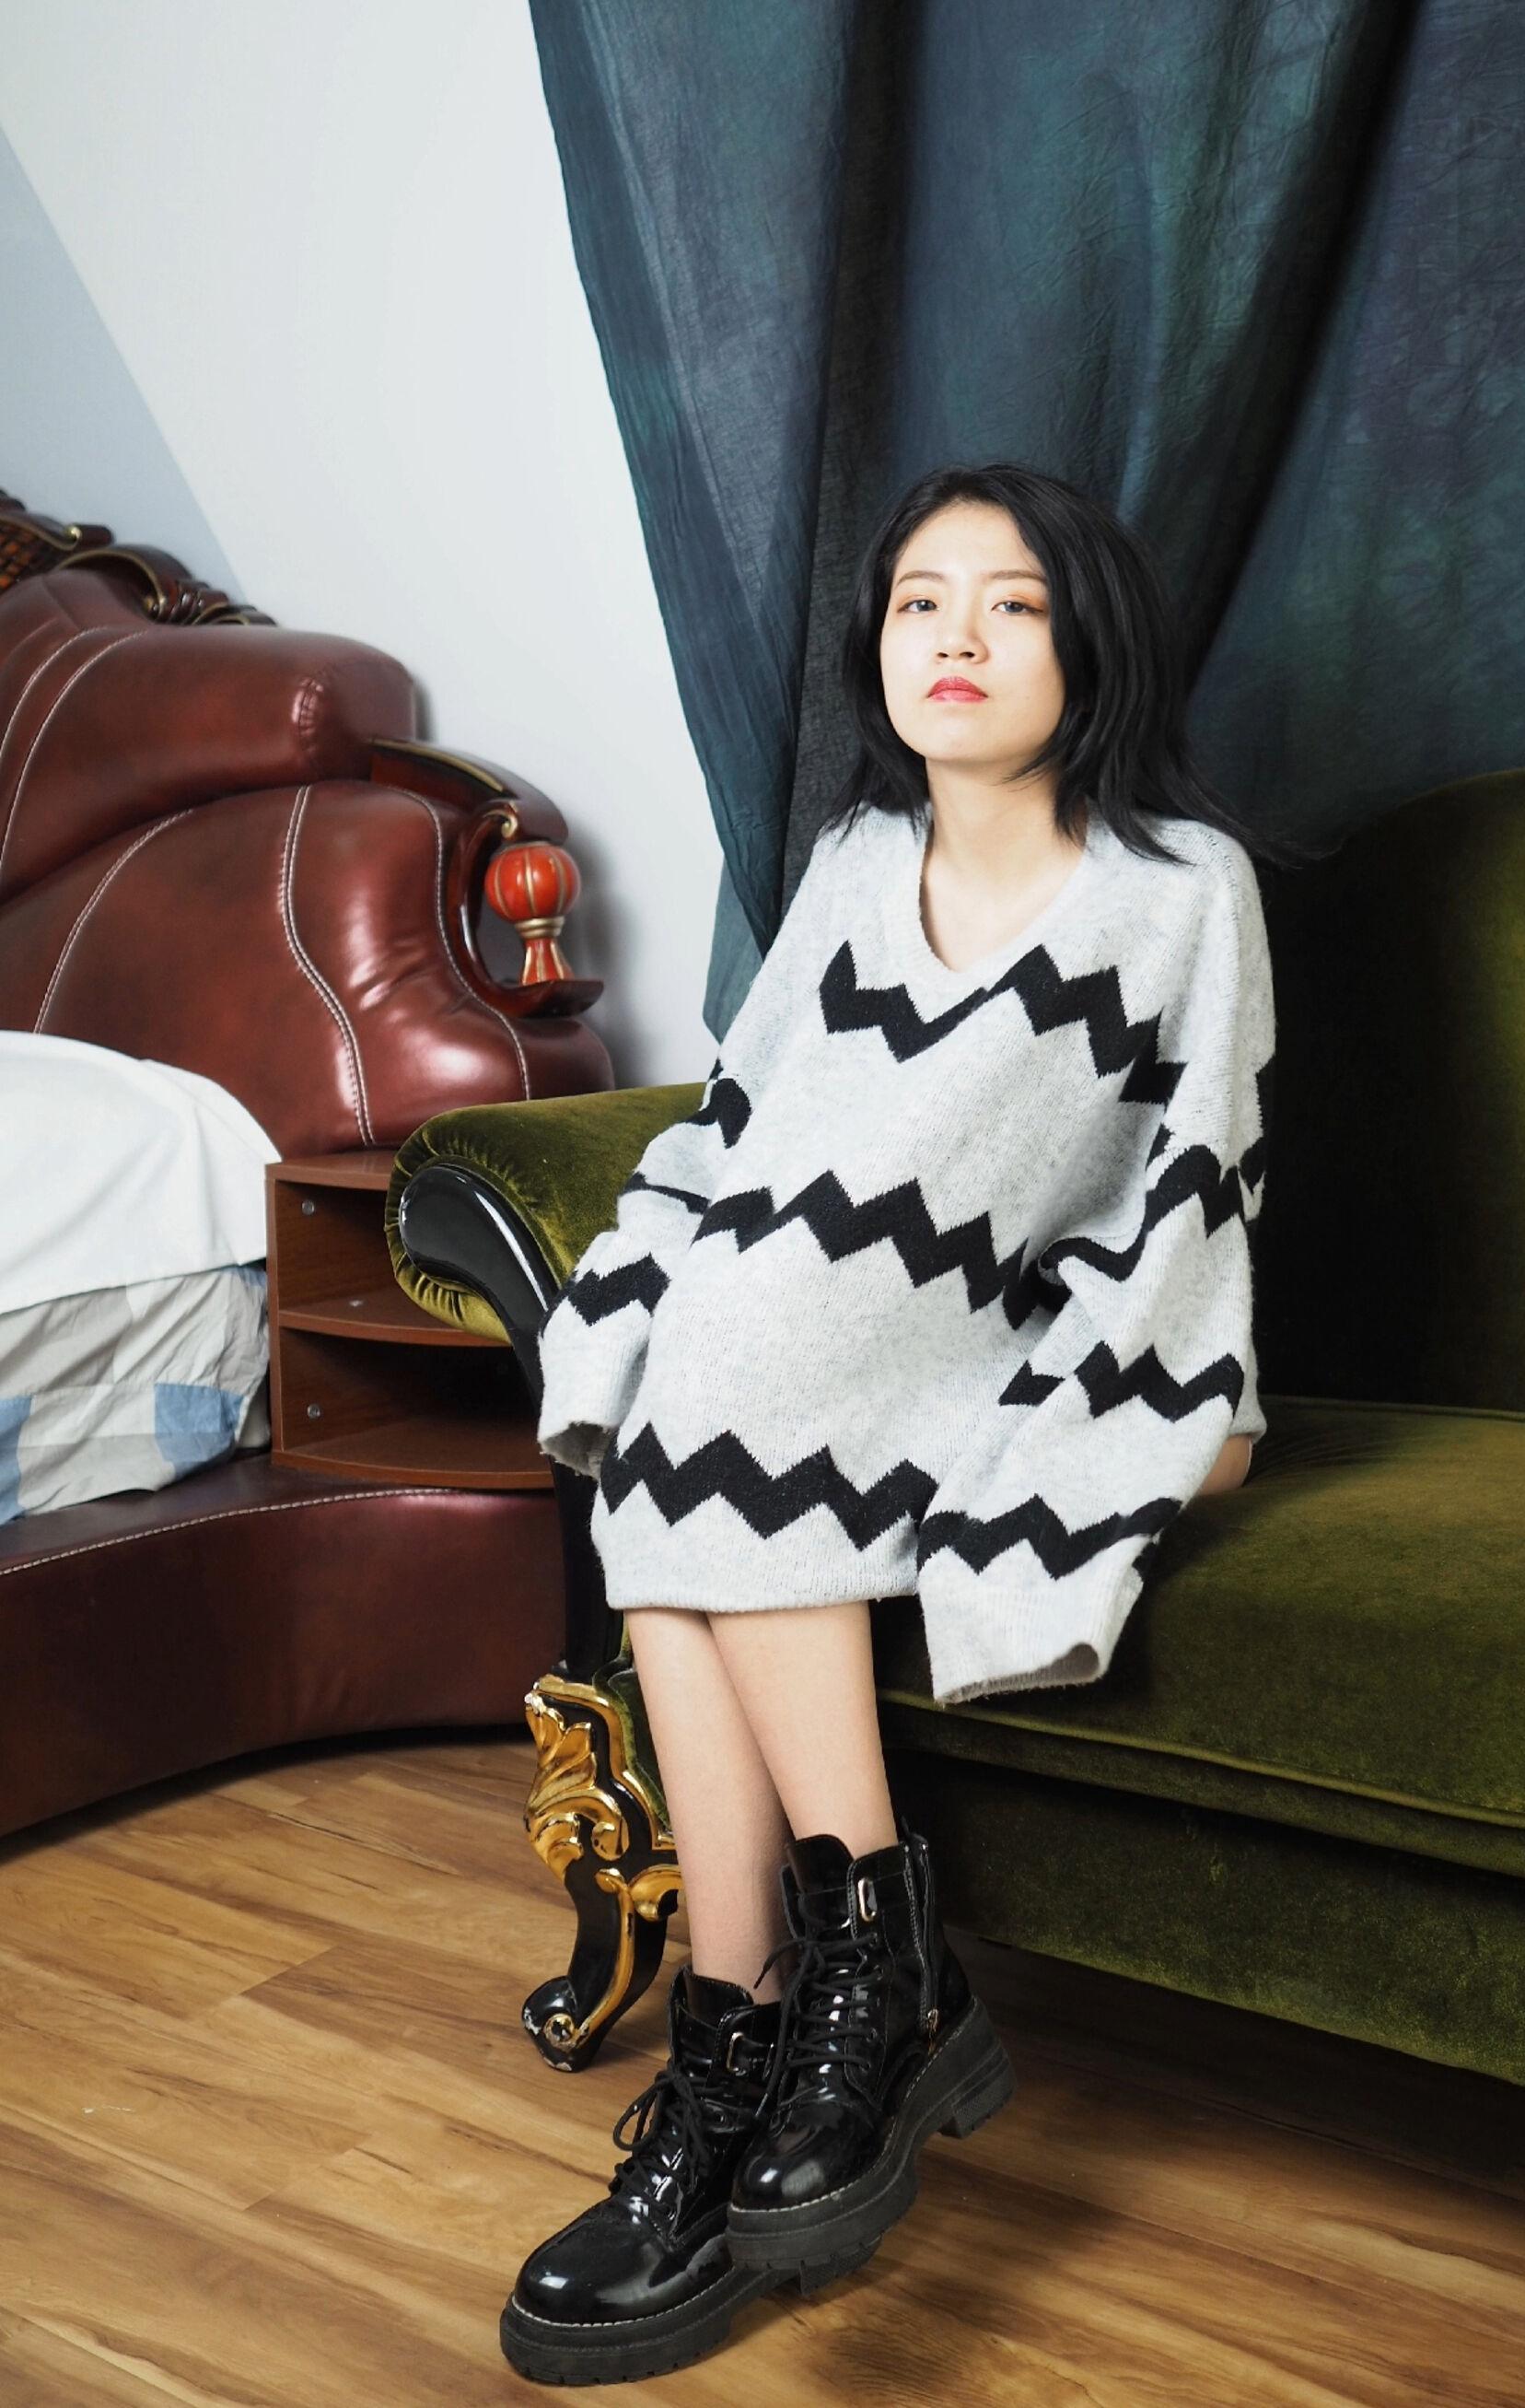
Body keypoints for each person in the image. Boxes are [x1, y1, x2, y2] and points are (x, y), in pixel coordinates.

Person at [499, 462, 1298, 2387]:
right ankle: (781, 2020)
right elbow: (746, 1126)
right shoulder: (858, 861)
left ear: (1088, 641)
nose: (956, 636)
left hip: (1035, 1334)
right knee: (702, 1369)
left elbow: (1194, 1194)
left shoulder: (1184, 891)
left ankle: (813, 1984)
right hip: (810, 1348)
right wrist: (691, 1284)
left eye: (1011, 603)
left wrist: (1160, 1392)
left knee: (716, 1385)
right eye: (922, 600)